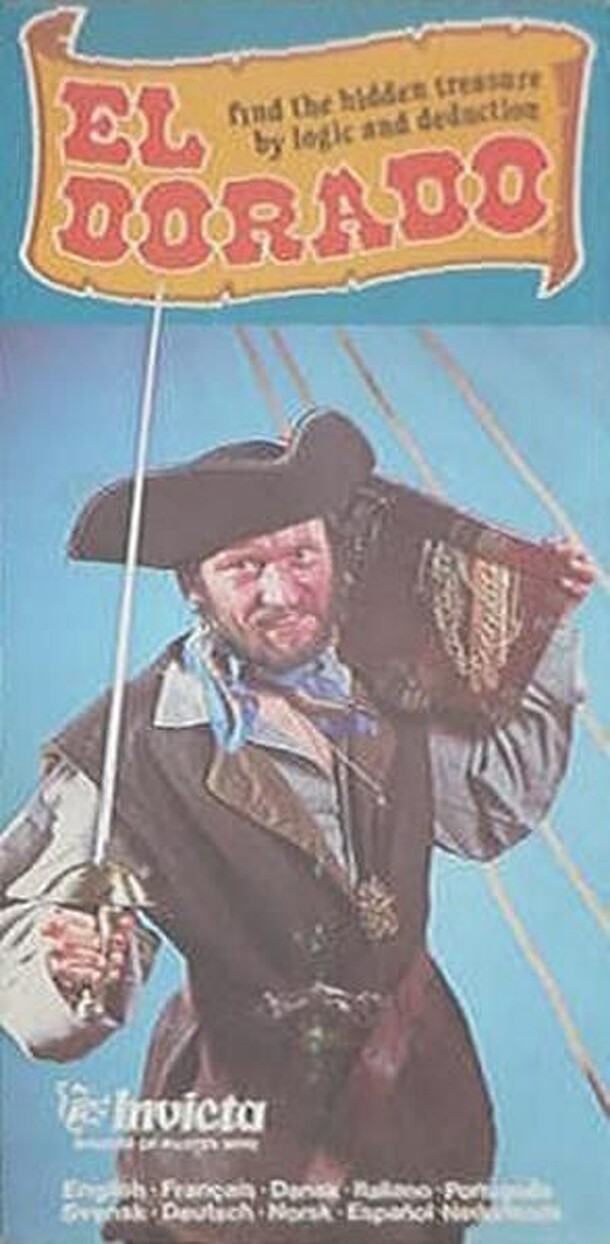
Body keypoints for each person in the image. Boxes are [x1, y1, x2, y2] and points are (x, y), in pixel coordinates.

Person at [0, 411, 595, 1243]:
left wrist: (549, 630)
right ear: (194, 585)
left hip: (412, 1114)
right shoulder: (127, 746)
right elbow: (29, 936)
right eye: (244, 567)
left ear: (335, 556)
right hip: (232, 1150)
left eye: (300, 557)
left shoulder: (390, 688)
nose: (280, 594)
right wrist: (72, 974)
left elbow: (491, 810)